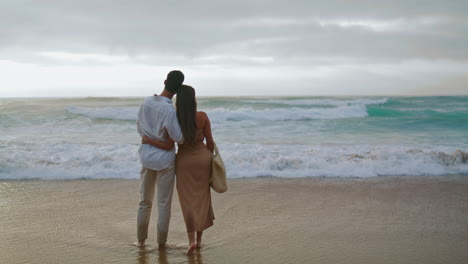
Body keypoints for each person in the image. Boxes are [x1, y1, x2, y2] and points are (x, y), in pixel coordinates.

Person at [142, 85, 215, 255]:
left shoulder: (175, 118)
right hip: (202, 159)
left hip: (184, 161)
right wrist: (209, 159)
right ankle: (199, 240)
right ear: (194, 99)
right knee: (202, 199)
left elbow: (169, 144)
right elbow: (210, 142)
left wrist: (148, 140)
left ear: (179, 100)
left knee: (187, 201)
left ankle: (190, 242)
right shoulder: (203, 116)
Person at [136, 70, 185, 249]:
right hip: (164, 161)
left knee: (144, 201)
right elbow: (179, 138)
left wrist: (150, 140)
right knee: (163, 203)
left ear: (164, 81)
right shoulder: (169, 109)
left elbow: (139, 128)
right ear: (178, 90)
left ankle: (141, 241)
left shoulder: (146, 102)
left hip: (146, 157)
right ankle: (161, 244)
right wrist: (163, 141)